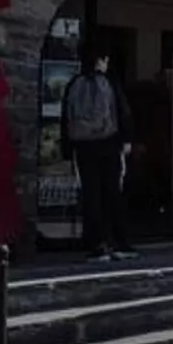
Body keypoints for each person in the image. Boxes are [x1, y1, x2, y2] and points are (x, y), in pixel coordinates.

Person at [61, 45, 137, 263]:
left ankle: (97, 245)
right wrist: (127, 139)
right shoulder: (110, 82)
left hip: (83, 147)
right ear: (102, 60)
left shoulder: (74, 84)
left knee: (91, 196)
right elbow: (123, 111)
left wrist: (67, 148)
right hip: (109, 145)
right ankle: (120, 243)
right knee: (113, 193)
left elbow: (65, 118)